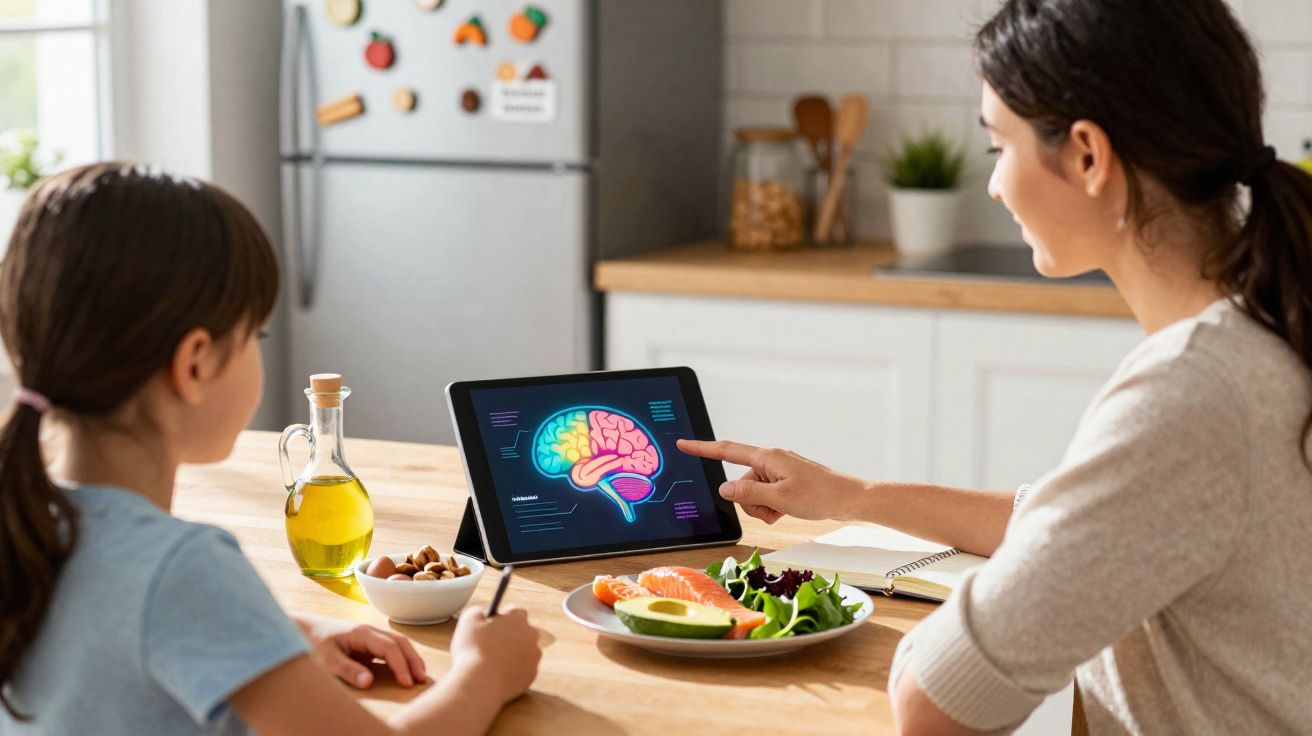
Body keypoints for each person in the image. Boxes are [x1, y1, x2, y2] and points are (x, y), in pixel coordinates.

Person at [680, 1, 1312, 733]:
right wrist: (849, 495)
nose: (995, 186)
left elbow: (932, 705)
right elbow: (1068, 526)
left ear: (1087, 155)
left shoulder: (1192, 393)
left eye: (998, 149)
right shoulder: (1264, 325)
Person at [0, 163, 542, 736]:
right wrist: (483, 673)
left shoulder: (27, 523)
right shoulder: (184, 568)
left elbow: (108, 623)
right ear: (195, 364)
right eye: (255, 334)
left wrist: (274, 638)